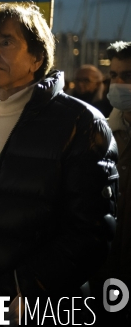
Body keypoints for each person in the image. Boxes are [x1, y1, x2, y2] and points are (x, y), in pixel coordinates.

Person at [0, 3, 117, 321]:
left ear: (37, 58)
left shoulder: (81, 124)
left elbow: (90, 234)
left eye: (5, 41)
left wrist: (6, 289)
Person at [104, 41, 131, 322]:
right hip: (105, 270)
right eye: (114, 75)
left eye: (128, 76)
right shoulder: (102, 133)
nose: (119, 83)